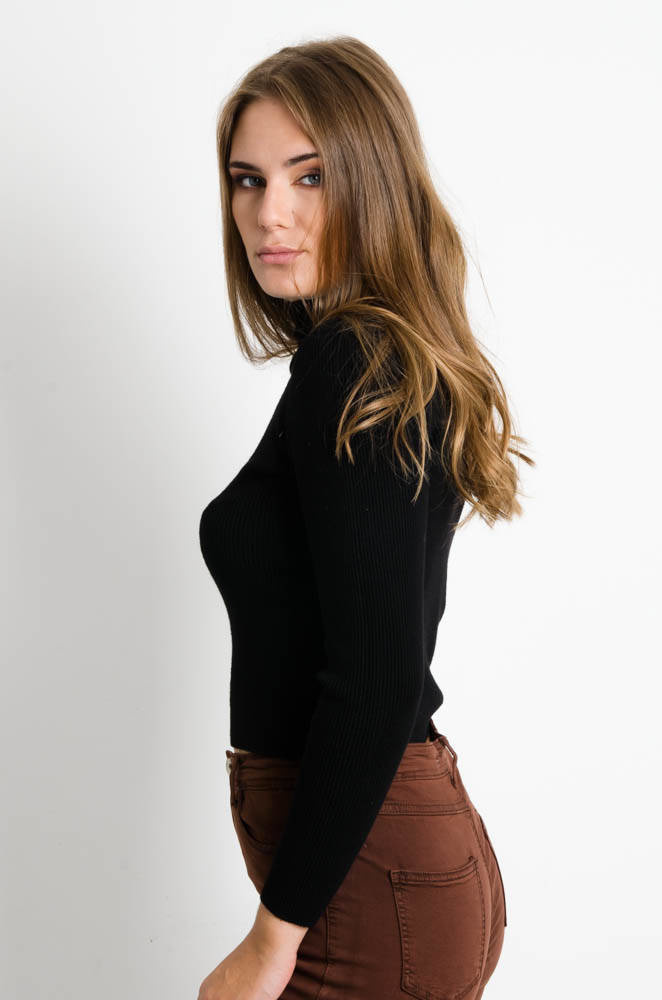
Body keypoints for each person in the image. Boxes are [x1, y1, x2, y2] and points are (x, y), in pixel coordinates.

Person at [197, 35, 533, 1000]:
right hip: (387, 861)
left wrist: (270, 942)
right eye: (249, 180)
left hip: (369, 878)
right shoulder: (372, 359)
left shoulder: (356, 363)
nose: (271, 213)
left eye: (310, 176)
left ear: (374, 181)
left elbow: (378, 680)